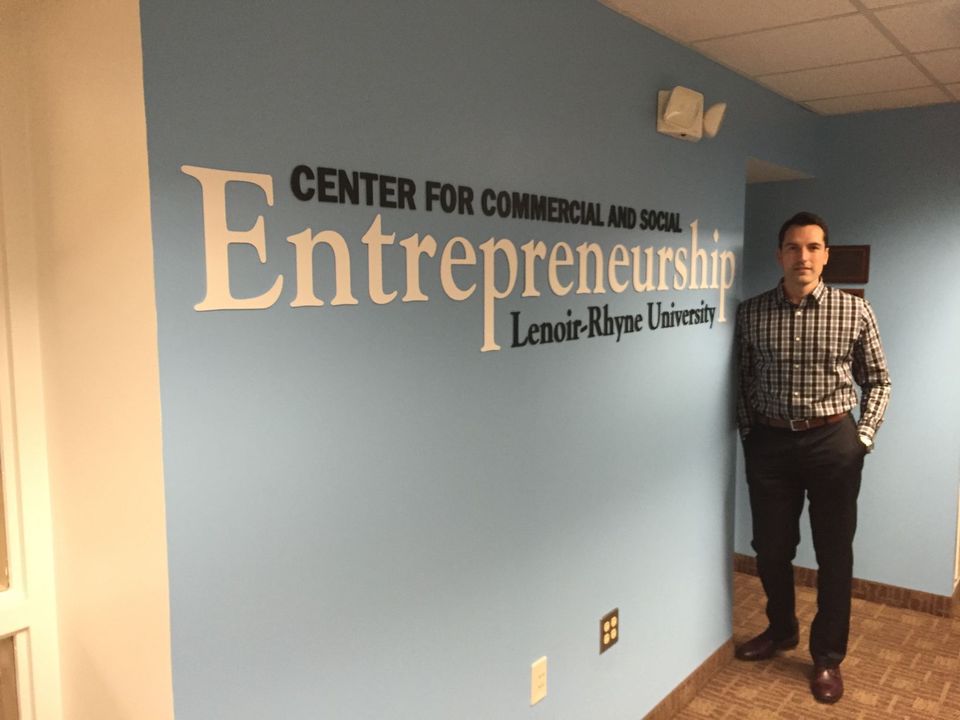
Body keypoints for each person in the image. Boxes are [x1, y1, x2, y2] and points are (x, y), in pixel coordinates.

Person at [734, 211, 891, 704]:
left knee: (834, 554)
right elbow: (741, 379)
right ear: (779, 254)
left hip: (833, 444)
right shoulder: (751, 312)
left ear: (826, 254)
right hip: (771, 443)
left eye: (813, 247)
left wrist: (862, 438)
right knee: (771, 548)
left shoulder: (855, 311)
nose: (803, 256)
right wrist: (749, 432)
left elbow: (880, 381)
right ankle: (781, 630)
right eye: (793, 247)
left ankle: (827, 658)